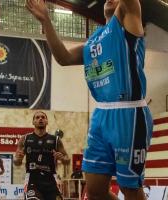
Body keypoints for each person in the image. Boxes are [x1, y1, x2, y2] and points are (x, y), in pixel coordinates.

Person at [26, 0, 153, 199]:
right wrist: (45, 20)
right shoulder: (94, 40)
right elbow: (63, 58)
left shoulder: (128, 18)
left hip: (129, 113)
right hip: (101, 115)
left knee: (130, 189)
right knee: (94, 192)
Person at [14, 111, 70, 200]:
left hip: (51, 179)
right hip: (32, 179)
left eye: (43, 117)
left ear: (47, 121)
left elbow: (67, 160)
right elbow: (16, 162)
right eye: (37, 117)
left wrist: (62, 158)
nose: (40, 119)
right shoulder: (25, 139)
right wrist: (19, 159)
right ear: (33, 122)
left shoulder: (55, 140)